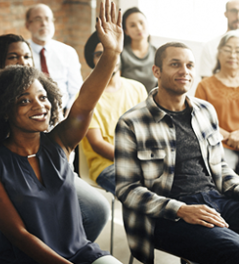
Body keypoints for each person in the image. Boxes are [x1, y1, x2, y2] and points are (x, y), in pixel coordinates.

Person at [0, 1, 123, 263]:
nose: (40, 106)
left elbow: (84, 105)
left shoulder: (60, 142)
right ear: (5, 110)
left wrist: (111, 53)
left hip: (80, 252)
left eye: (42, 97)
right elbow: (19, 235)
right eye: (24, 100)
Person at [0, 34, 110, 243]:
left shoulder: (42, 102)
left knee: (95, 210)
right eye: (14, 57)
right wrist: (24, 185)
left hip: (45, 171)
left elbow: (73, 123)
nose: (22, 62)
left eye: (27, 56)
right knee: (29, 219)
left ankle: (66, 247)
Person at [115, 42, 239, 264]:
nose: (185, 71)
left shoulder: (205, 111)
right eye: (175, 64)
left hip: (215, 198)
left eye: (190, 65)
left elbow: (219, 166)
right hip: (166, 215)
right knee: (234, 250)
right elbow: (127, 190)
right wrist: (181, 209)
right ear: (157, 71)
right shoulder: (131, 122)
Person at [81, 31, 147, 195]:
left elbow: (149, 130)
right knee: (145, 195)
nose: (107, 58)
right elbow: (97, 143)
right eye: (99, 54)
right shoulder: (86, 96)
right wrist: (134, 161)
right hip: (107, 166)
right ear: (92, 60)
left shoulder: (137, 88)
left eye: (112, 52)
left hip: (142, 161)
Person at [25, 3, 83, 112]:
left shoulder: (68, 52)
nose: (44, 23)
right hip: (32, 112)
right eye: (38, 19)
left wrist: (69, 114)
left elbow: (76, 90)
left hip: (63, 113)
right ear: (28, 25)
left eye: (48, 19)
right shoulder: (22, 53)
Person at [195, 31, 239, 173]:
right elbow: (199, 120)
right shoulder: (205, 85)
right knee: (226, 178)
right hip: (219, 144)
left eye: (237, 51)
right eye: (227, 50)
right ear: (219, 53)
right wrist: (229, 137)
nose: (232, 55)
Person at [120, 7, 157, 93]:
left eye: (141, 23)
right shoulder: (121, 54)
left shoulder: (157, 53)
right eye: (133, 25)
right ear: (126, 31)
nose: (139, 28)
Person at [199, 0, 239, 78]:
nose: (238, 16)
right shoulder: (210, 46)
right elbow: (206, 84)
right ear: (226, 14)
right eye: (234, 11)